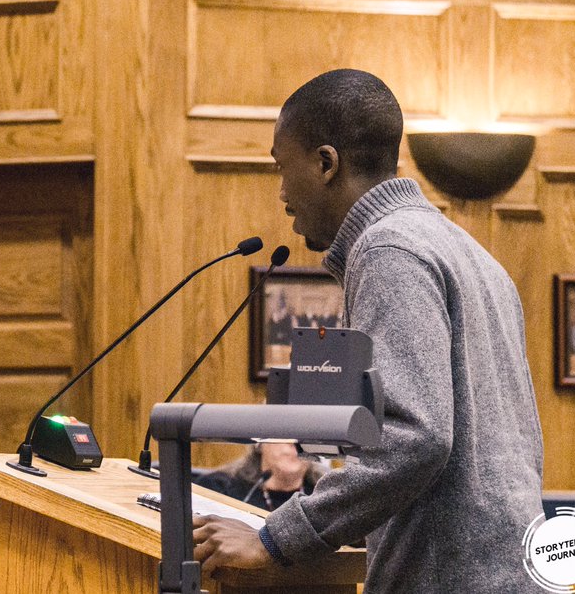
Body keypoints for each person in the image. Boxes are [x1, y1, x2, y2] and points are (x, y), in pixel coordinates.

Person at [193, 69, 544, 592]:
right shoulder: (470, 252)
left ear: (326, 163)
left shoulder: (388, 250)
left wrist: (275, 538)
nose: (282, 193)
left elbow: (414, 440)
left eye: (282, 168)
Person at [194, 442, 327, 512]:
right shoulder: (217, 490)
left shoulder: (328, 495)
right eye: (285, 431)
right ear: (260, 442)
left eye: (304, 435)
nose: (294, 443)